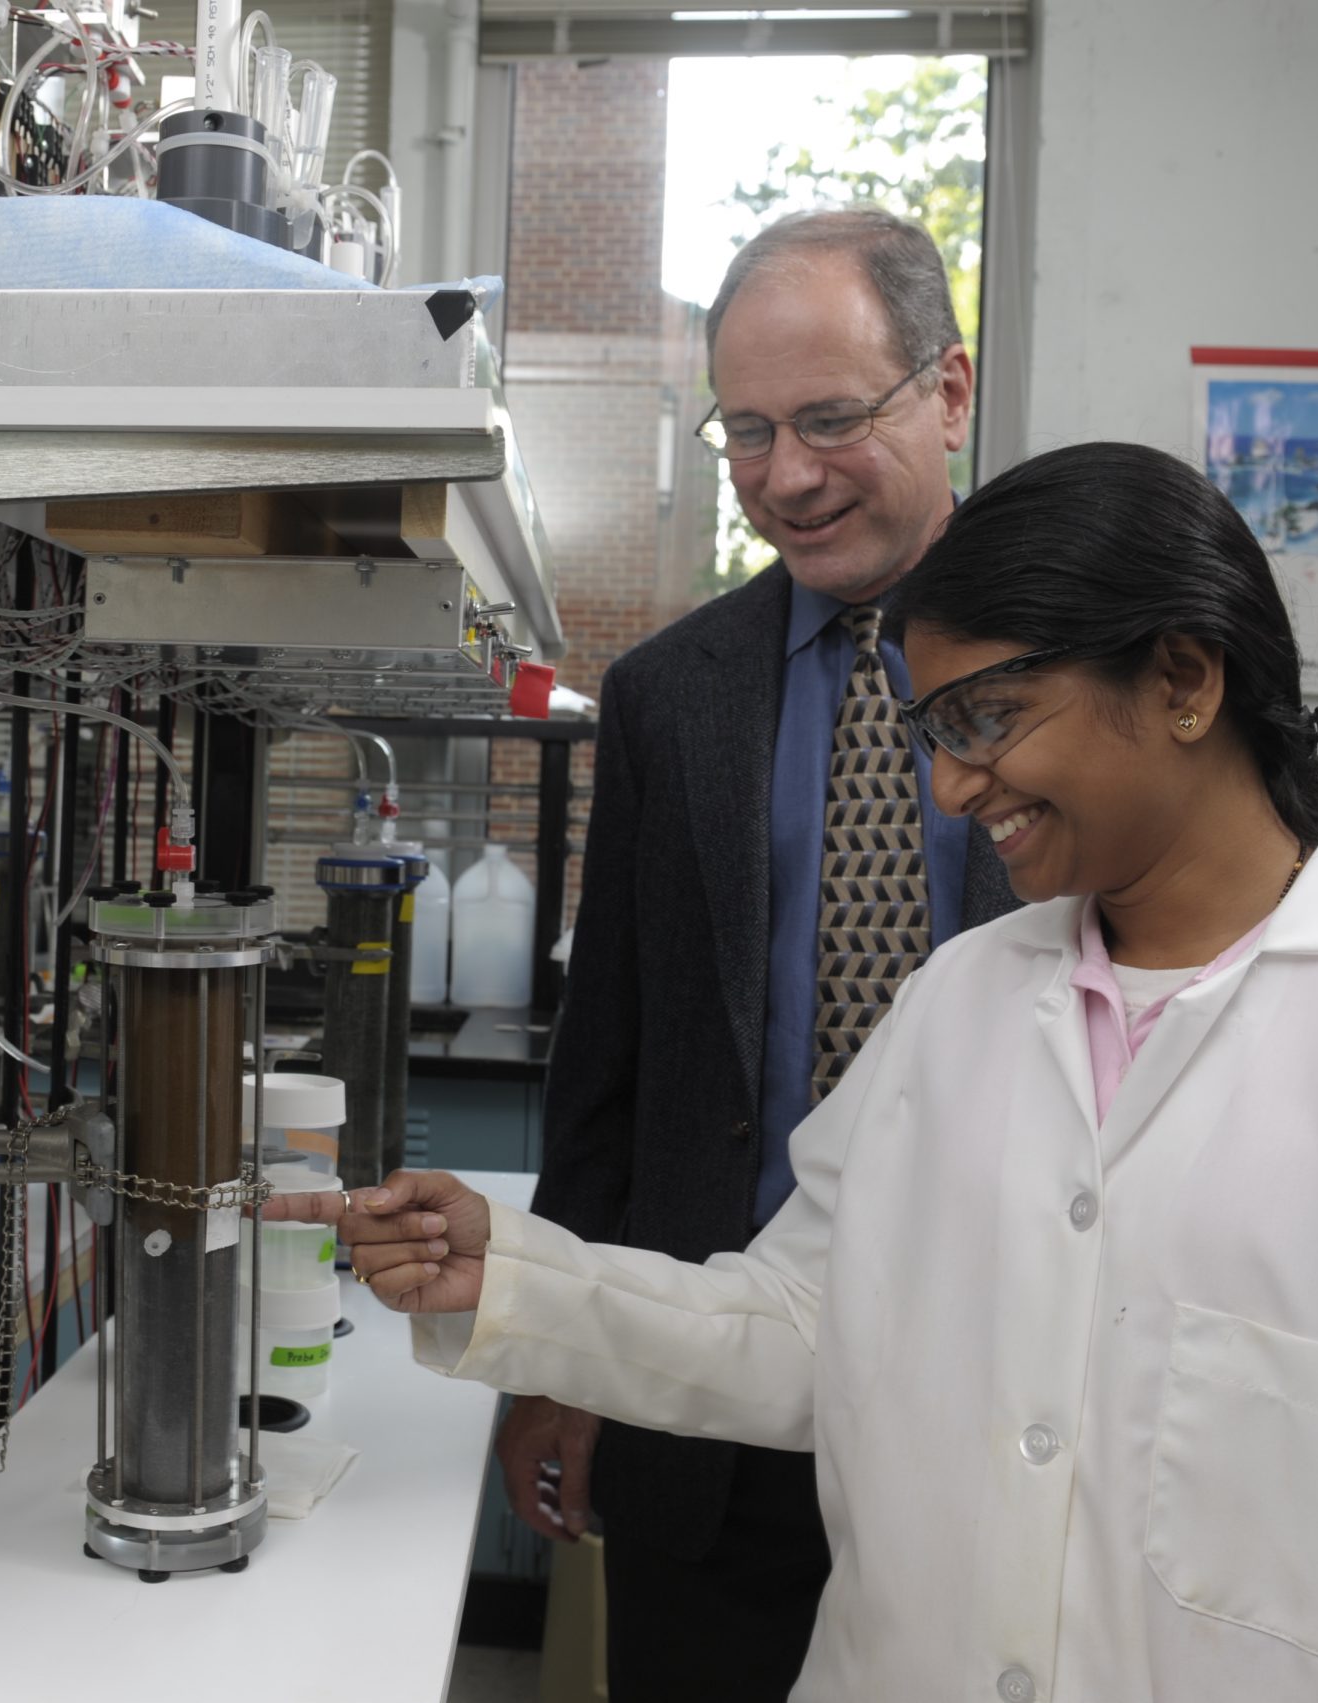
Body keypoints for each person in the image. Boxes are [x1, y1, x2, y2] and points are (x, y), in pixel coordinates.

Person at [277, 442, 1318, 1702]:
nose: (951, 787)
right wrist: (515, 1277)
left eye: (989, 718)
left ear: (1184, 681)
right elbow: (808, 1328)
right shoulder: (960, 1003)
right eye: (933, 731)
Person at [505, 206, 1016, 1699]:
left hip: (999, 1396)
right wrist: (562, 1361)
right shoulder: (671, 697)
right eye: (746, 431)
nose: (786, 477)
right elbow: (609, 1062)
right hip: (709, 1417)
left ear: (949, 392)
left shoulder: (1081, 671)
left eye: (832, 419)